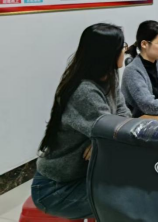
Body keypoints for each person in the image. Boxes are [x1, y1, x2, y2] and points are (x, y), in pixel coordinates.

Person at [32, 24, 130, 219]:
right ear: (107, 53)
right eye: (122, 46)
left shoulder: (109, 76)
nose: (125, 50)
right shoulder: (84, 91)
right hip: (56, 189)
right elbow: (112, 131)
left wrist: (99, 140)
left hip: (84, 176)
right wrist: (103, 138)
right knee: (132, 200)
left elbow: (123, 114)